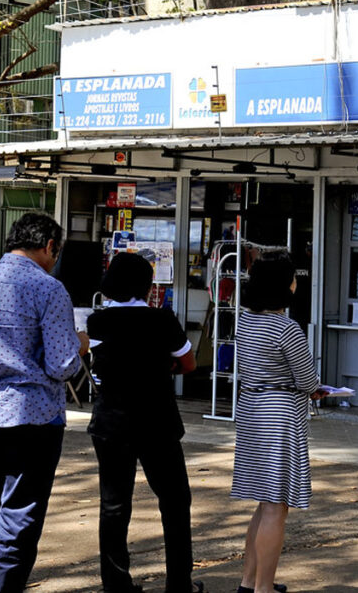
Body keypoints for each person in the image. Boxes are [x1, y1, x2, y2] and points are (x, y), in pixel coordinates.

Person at [0, 212, 89, 591]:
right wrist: (79, 344)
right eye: (56, 252)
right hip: (35, 417)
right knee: (20, 522)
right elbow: (62, 365)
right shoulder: (49, 288)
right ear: (49, 246)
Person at [86, 252, 203, 593]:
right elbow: (189, 363)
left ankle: (116, 584)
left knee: (114, 506)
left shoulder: (98, 322)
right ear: (147, 285)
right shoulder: (163, 320)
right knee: (175, 502)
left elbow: (92, 357)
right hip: (157, 421)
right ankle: (179, 584)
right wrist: (163, 368)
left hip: (111, 423)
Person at [231, 252, 326, 593]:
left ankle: (249, 581)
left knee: (263, 501)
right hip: (281, 414)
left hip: (251, 407)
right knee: (276, 505)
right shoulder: (287, 327)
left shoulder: (245, 320)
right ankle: (264, 587)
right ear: (285, 284)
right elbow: (307, 380)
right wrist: (318, 389)